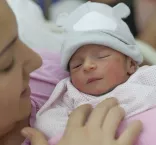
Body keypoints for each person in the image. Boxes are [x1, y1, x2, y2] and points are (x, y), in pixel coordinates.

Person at [0, 0, 142, 145]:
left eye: (19, 40)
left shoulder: (51, 71)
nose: (35, 60)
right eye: (7, 63)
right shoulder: (55, 114)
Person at [35, 2, 156, 145]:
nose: (87, 66)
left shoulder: (143, 78)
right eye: (76, 65)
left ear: (130, 64)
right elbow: (47, 121)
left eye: (101, 57)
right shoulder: (72, 96)